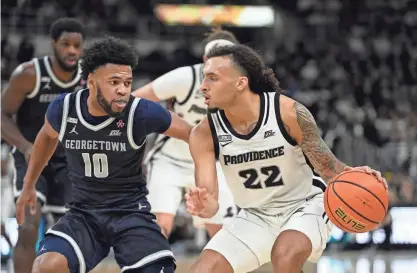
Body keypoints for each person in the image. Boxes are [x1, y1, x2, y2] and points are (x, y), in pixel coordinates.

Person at [185, 44, 388, 273]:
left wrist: (359, 177)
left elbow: (329, 169)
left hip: (305, 205)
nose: (202, 87)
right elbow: (211, 202)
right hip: (255, 215)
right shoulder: (202, 134)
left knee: (285, 254)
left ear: (240, 83)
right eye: (204, 78)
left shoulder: (288, 112)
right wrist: (204, 206)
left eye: (212, 78)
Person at [16, 35, 192, 273]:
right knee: (47, 266)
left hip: (130, 213)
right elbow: (46, 137)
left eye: (128, 83)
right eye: (114, 82)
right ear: (91, 81)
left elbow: (195, 135)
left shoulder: (140, 111)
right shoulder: (65, 107)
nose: (122, 90)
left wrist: (206, 181)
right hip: (84, 213)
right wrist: (29, 184)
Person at [132, 28, 238, 238]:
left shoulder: (240, 86)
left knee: (225, 236)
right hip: (169, 160)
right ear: (205, 59)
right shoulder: (184, 78)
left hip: (211, 162)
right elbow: (134, 102)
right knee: (159, 229)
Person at [1, 18, 85, 273]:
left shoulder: (88, 78)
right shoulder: (29, 74)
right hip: (31, 158)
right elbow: (2, 114)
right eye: (65, 44)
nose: (71, 50)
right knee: (28, 226)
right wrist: (26, 147)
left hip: (67, 160)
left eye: (77, 45)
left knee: (71, 234)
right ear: (53, 45)